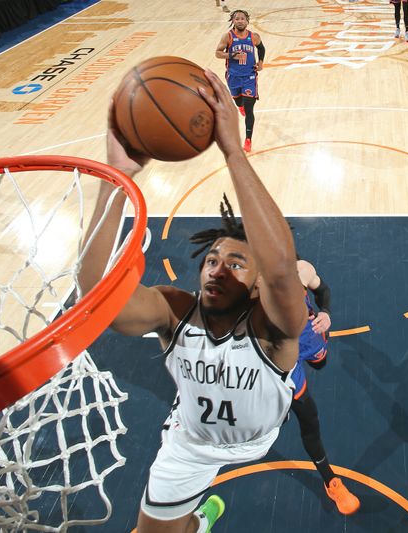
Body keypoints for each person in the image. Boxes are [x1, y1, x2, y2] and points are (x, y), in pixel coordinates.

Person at [79, 69, 307, 533]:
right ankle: (199, 522)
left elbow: (282, 268)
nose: (217, 267)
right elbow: (97, 297)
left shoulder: (273, 330)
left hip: (253, 441)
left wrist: (231, 151)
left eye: (237, 264)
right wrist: (117, 177)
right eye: (212, 259)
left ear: (259, 287)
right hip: (190, 442)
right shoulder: (174, 310)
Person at [289, 258, 360, 515]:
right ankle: (331, 481)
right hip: (278, 358)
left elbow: (324, 291)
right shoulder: (249, 289)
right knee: (309, 419)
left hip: (308, 336)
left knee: (320, 363)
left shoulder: (302, 270)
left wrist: (326, 313)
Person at [215, 9, 265, 153]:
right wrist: (231, 55)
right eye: (237, 19)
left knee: (250, 110)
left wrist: (260, 62)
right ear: (233, 21)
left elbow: (261, 48)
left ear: (247, 21)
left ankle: (248, 139)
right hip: (233, 77)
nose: (240, 21)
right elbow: (218, 53)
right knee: (238, 101)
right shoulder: (228, 37)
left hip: (250, 77)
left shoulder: (254, 36)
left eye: (242, 18)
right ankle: (240, 106)